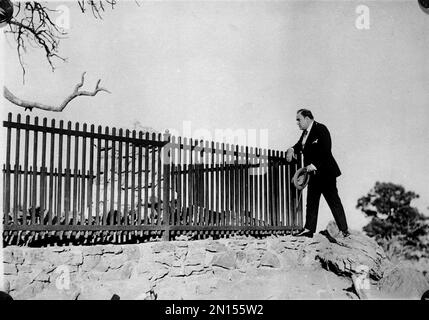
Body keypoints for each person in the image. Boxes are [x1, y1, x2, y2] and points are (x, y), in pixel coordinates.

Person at [286, 109, 350, 238]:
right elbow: (300, 145)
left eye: (299, 119)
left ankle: (344, 230)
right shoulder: (305, 133)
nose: (297, 123)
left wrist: (313, 165)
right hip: (313, 175)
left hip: (326, 173)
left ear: (307, 118)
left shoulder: (321, 129)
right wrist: (292, 149)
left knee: (333, 201)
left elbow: (326, 150)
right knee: (311, 201)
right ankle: (309, 229)